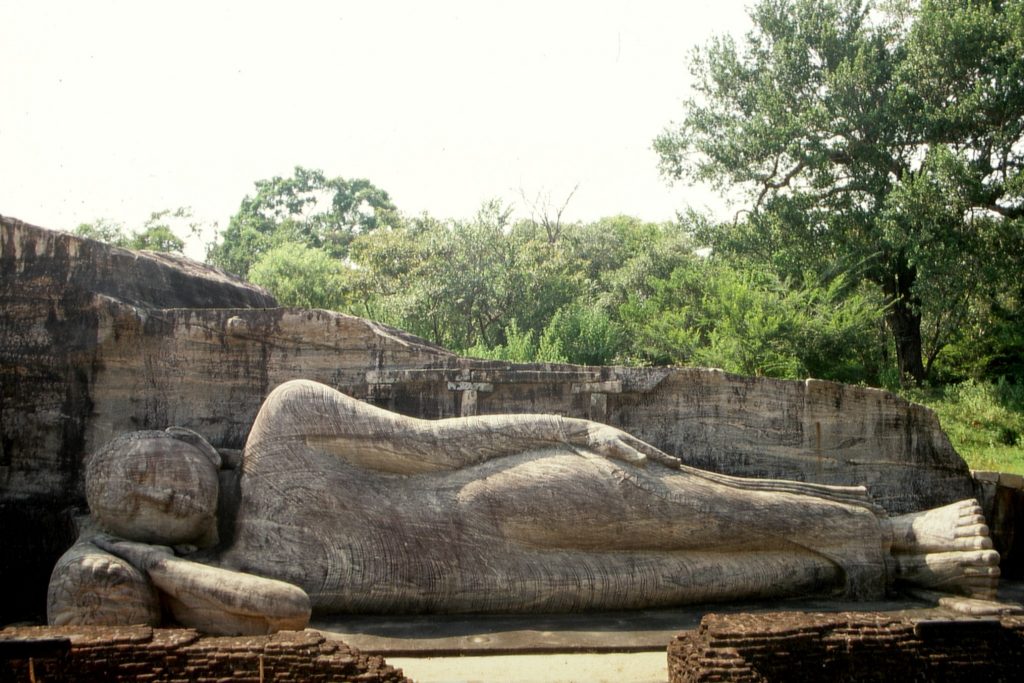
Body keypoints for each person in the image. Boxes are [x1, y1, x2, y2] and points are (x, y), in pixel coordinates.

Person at [49, 379, 1000, 635]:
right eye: (142, 506)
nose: (165, 490)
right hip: (506, 577)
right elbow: (286, 617)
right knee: (731, 574)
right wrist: (144, 565)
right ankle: (898, 556)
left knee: (695, 512)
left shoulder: (284, 421)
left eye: (149, 465)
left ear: (175, 437)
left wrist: (578, 431)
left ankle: (897, 530)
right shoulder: (243, 567)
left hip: (500, 493)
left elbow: (438, 443)